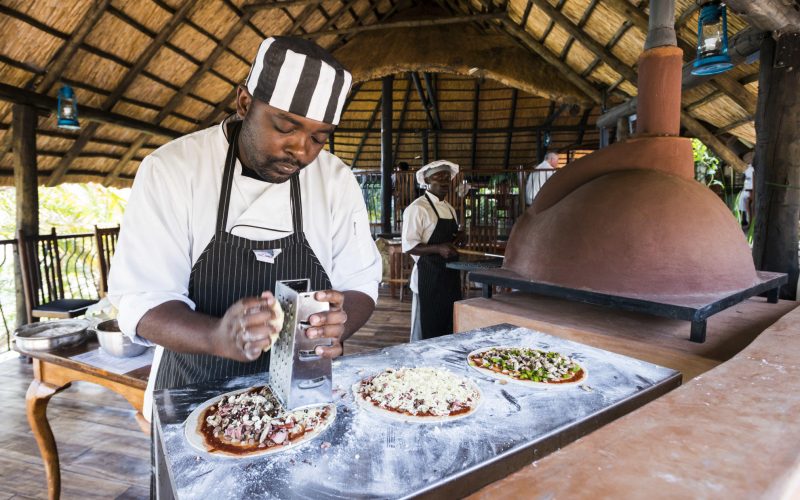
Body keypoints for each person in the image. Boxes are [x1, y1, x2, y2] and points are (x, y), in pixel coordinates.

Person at [108, 37, 382, 415]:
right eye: (286, 127)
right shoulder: (173, 169)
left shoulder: (335, 180)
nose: (301, 151)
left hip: (302, 400)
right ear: (244, 103)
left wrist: (337, 324)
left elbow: (360, 285)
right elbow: (142, 302)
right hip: (193, 394)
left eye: (318, 138)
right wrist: (216, 336)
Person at [401, 160, 464, 341]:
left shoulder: (450, 208)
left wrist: (457, 238)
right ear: (427, 181)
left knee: (448, 321)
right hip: (428, 275)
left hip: (449, 276)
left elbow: (448, 241)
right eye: (438, 177)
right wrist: (438, 248)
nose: (444, 181)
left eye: (447, 177)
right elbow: (409, 245)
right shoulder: (417, 208)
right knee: (428, 325)